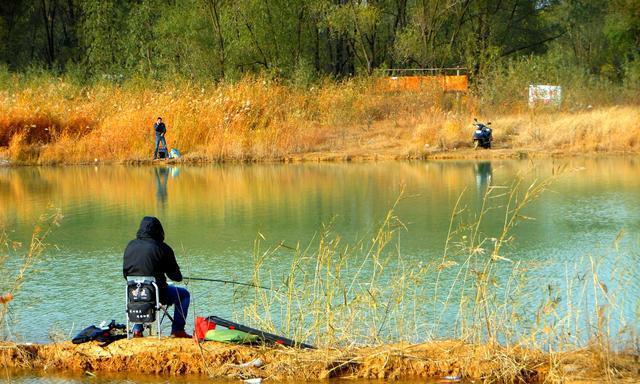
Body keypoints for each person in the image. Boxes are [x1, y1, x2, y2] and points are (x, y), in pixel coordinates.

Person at [123, 216, 191, 338]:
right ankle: (177, 330)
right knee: (184, 295)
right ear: (159, 230)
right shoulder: (162, 248)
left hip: (133, 294)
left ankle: (137, 331)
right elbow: (176, 277)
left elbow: (125, 274)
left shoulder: (130, 246)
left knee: (139, 292)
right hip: (157, 294)